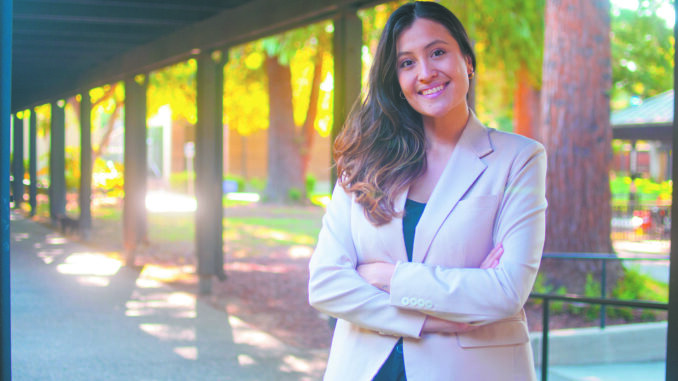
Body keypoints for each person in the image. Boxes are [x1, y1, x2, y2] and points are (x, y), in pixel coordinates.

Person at [308, 2, 547, 380]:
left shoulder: (519, 159)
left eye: (438, 52)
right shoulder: (363, 160)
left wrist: (386, 276)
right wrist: (430, 321)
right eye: (407, 62)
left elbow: (505, 291)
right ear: (395, 78)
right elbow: (325, 285)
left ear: (467, 60)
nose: (425, 72)